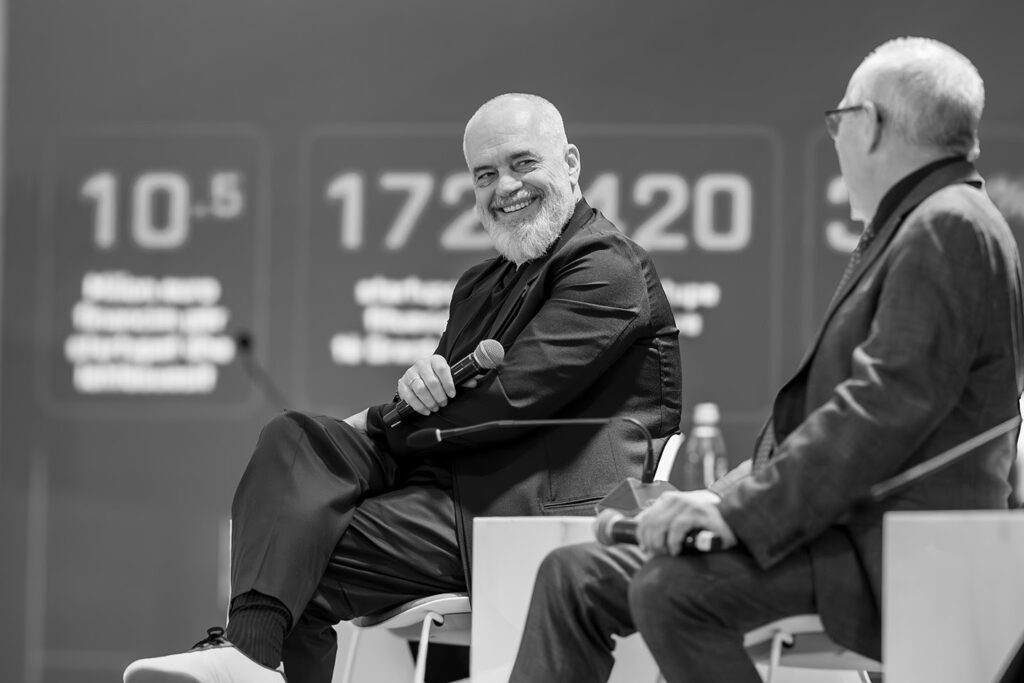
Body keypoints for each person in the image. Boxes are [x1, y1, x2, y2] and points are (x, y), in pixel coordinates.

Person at [509, 37, 1024, 683]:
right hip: (833, 531)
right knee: (575, 575)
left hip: (890, 551)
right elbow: (827, 429)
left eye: (839, 121)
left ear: (870, 124)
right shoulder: (924, 223)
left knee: (674, 591)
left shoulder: (948, 225)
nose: (836, 142)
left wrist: (732, 516)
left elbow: (876, 419)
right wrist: (708, 501)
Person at [123, 93, 683, 683]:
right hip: (447, 484)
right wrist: (415, 391)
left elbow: (508, 402)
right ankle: (249, 660)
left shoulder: (607, 266)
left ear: (570, 163)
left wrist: (380, 422)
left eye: (523, 163)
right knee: (292, 439)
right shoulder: (480, 283)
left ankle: (250, 655)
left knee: (293, 555)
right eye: (485, 175)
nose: (505, 187)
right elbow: (443, 399)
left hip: (521, 511)